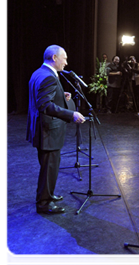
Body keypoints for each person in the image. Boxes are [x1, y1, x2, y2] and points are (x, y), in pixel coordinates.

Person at [27, 45, 86, 214]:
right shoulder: (50, 77)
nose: (66, 63)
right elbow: (44, 105)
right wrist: (71, 114)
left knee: (49, 167)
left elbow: (42, 100)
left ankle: (48, 195)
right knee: (49, 168)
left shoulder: (38, 73)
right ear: (54, 58)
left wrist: (61, 97)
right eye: (64, 58)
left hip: (41, 129)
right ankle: (44, 203)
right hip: (48, 131)